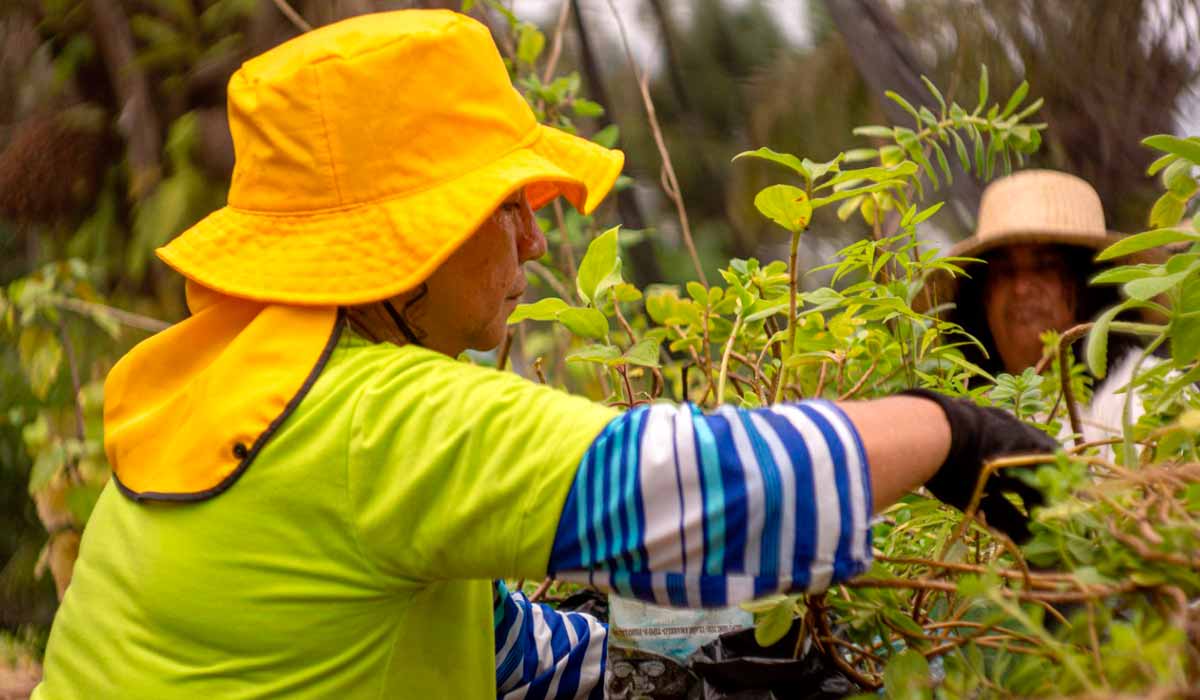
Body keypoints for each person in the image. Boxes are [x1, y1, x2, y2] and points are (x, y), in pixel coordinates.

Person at [31, 11, 1054, 699]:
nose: (533, 239)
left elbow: (483, 644)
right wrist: (949, 429)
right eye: (505, 205)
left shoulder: (233, 380)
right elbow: (709, 490)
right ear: (404, 243)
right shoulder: (375, 416)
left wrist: (673, 663)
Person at [918, 170, 1159, 443]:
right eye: (1005, 271)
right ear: (980, 296)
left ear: (1091, 285)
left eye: (1046, 267)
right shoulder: (965, 414)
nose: (1021, 288)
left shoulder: (1144, 389)